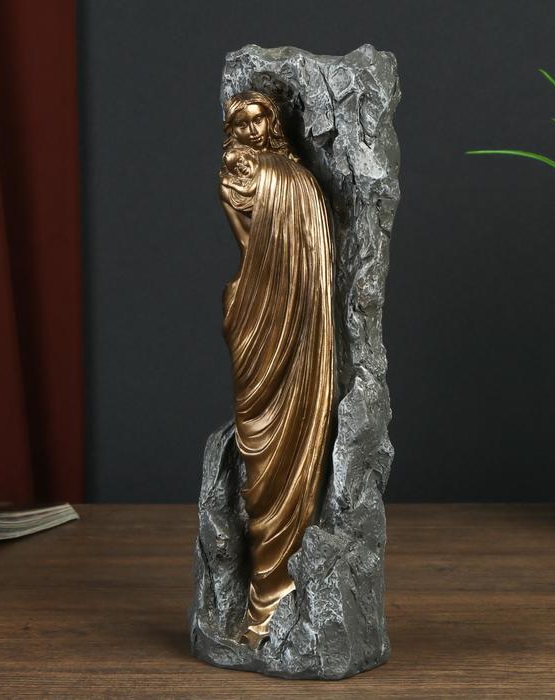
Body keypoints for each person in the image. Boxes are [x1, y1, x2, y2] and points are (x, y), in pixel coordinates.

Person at [218, 91, 335, 648]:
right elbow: (249, 248)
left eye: (259, 117)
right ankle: (263, 585)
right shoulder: (235, 178)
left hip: (300, 313)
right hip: (256, 311)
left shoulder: (299, 181)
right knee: (259, 451)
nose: (252, 129)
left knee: (297, 434)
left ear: (273, 120)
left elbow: (313, 253)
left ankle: (280, 585)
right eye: (241, 122)